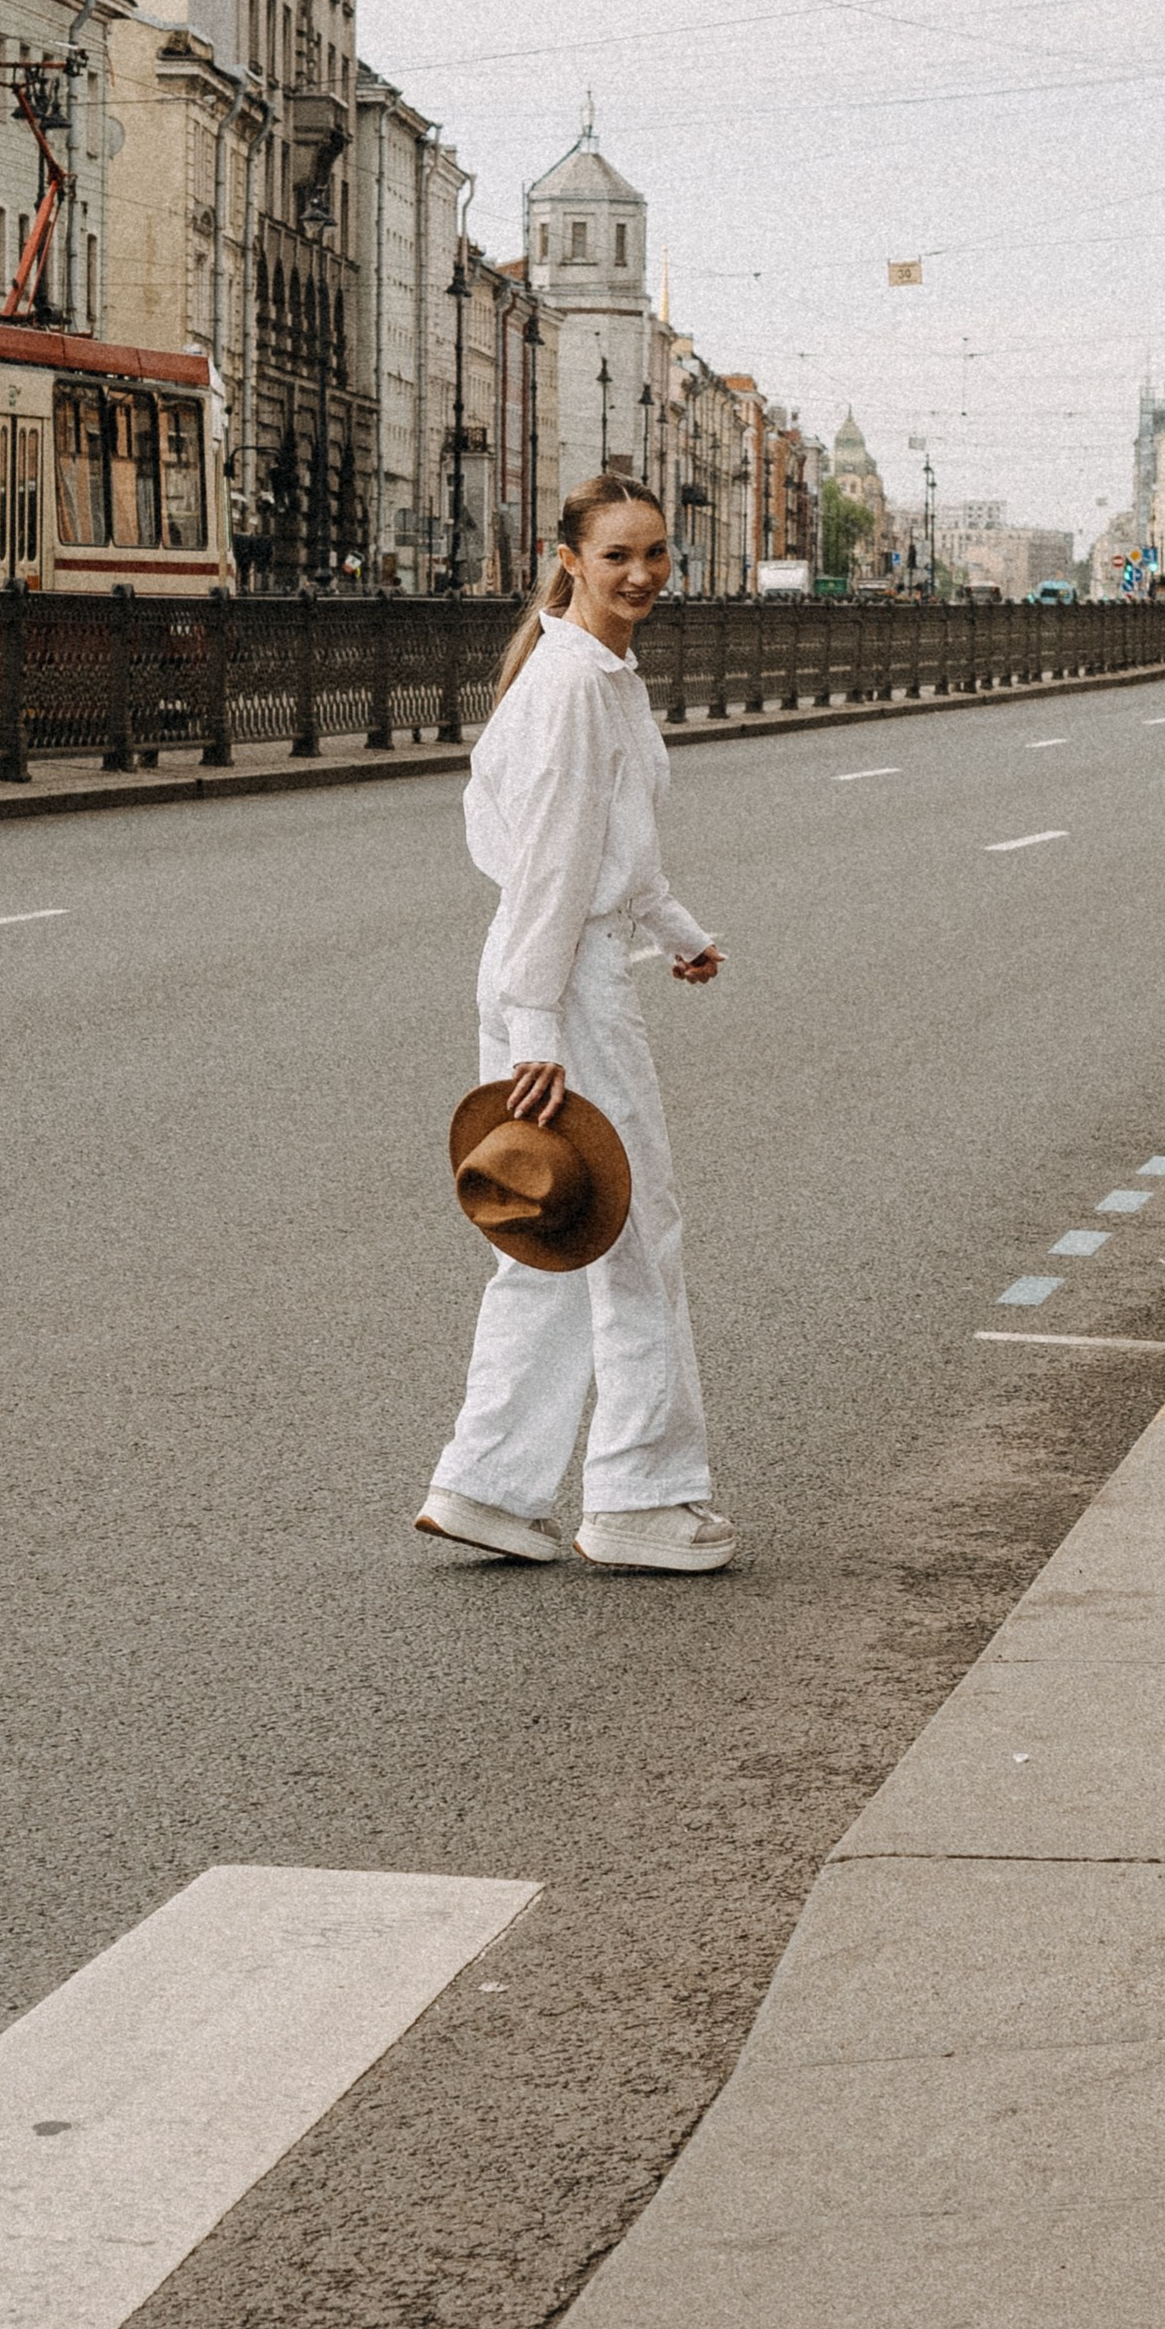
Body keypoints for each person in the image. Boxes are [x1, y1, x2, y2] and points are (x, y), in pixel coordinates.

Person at [417, 474, 734, 1576]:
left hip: (549, 970)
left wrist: (679, 929)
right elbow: (554, 874)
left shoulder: (596, 675)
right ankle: (642, 1495)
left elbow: (612, 849)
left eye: (656, 554)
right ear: (568, 560)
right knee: (638, 1234)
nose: (642, 574)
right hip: (560, 983)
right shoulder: (570, 687)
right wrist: (540, 1027)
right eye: (618, 557)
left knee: (552, 1232)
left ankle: (487, 1485)